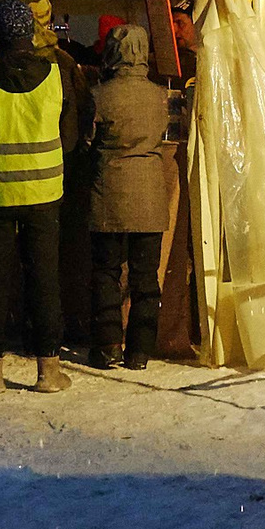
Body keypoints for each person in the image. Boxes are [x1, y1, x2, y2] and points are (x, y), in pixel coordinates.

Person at [0, 0, 81, 393]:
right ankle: (48, 371)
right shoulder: (55, 74)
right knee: (44, 278)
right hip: (44, 191)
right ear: (31, 31)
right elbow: (69, 136)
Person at [85, 22, 171, 370]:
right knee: (145, 276)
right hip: (150, 192)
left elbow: (87, 140)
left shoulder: (99, 95)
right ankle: (140, 351)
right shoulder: (158, 94)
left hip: (109, 192)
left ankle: (108, 345)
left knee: (106, 271)